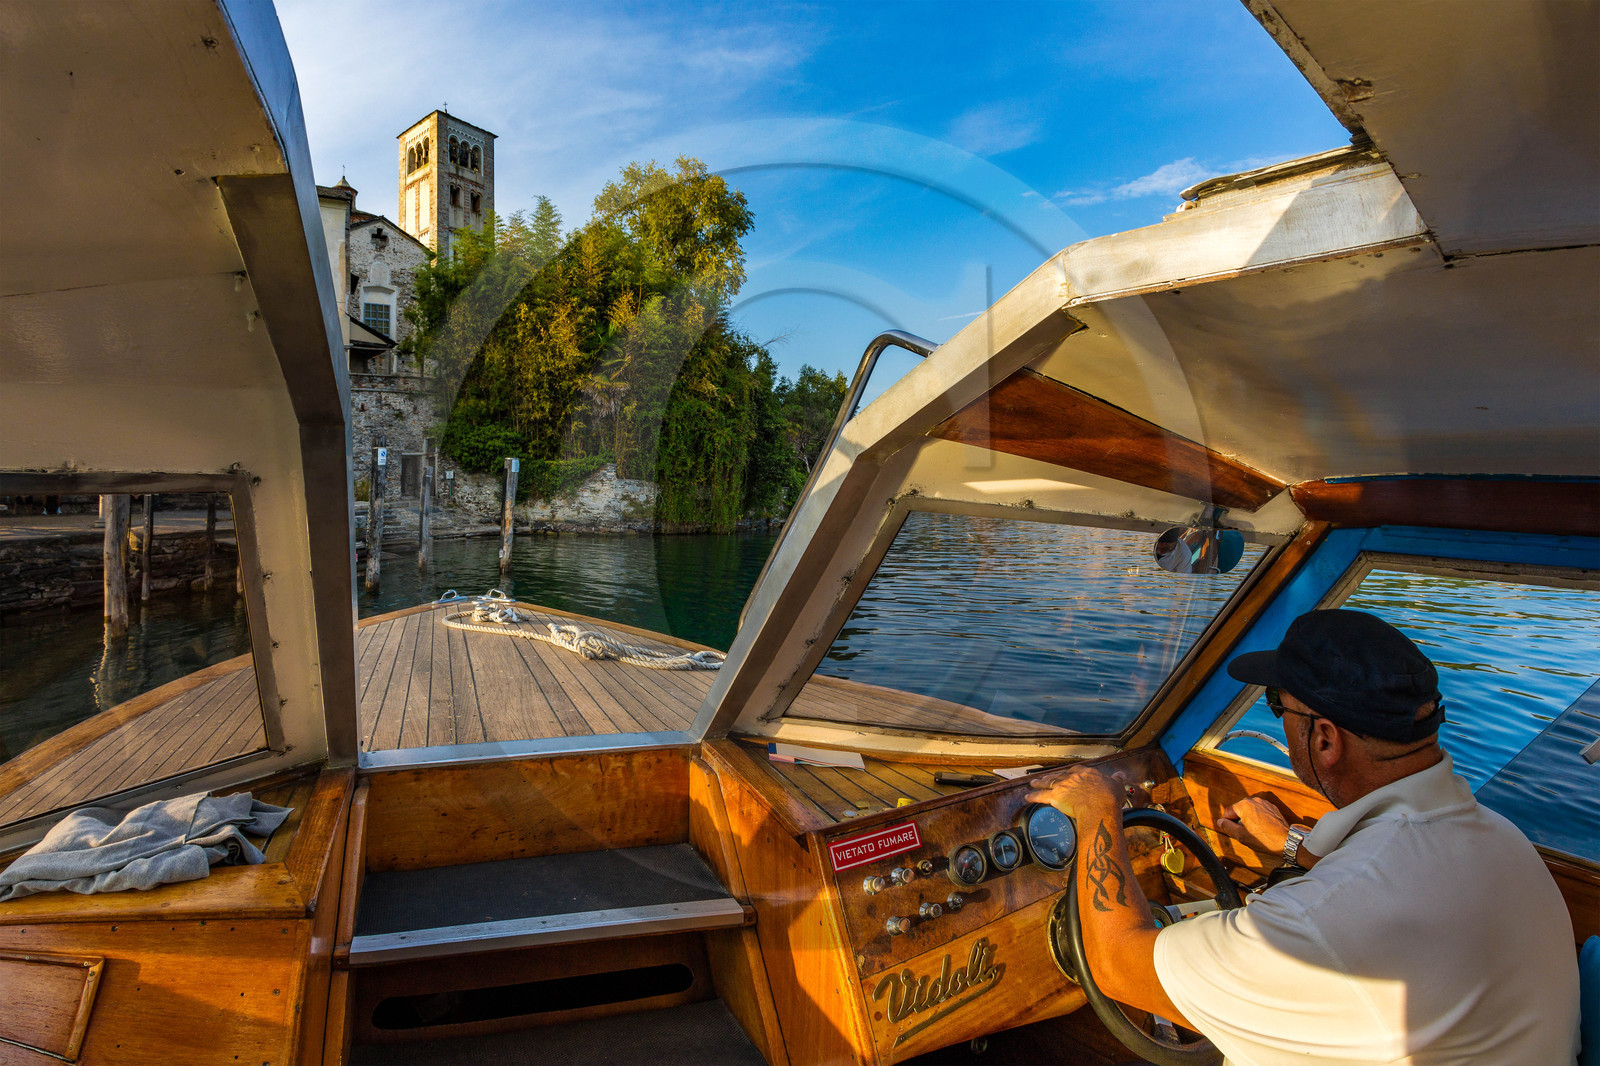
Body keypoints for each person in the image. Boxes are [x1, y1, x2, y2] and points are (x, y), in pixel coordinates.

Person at [1028, 608, 1581, 1065]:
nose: (1280, 724)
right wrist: (1293, 844)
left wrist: (1097, 810)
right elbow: (1385, 893)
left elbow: (1119, 967)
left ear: (1324, 739)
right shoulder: (1503, 840)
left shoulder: (1315, 926)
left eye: (1278, 707)